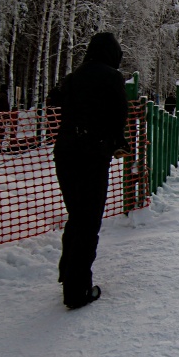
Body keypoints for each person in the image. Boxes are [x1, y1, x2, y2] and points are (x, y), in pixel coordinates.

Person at [54, 32, 130, 309]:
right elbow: (119, 114)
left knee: (76, 215)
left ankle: (67, 274)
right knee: (89, 220)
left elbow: (57, 102)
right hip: (92, 153)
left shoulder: (73, 77)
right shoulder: (111, 77)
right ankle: (78, 291)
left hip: (65, 152)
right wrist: (116, 141)